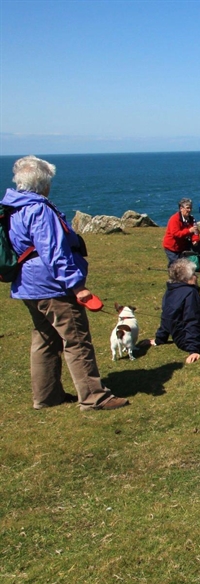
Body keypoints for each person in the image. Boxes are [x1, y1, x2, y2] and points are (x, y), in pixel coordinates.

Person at [1, 155, 128, 410]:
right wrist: (77, 285)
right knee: (76, 339)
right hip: (51, 286)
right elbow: (53, 251)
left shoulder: (13, 207)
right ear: (43, 183)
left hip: (27, 285)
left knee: (45, 339)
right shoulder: (38, 209)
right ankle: (94, 397)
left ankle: (46, 396)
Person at [163, 198, 200, 267]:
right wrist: (189, 231)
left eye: (190, 208)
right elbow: (176, 234)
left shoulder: (191, 219)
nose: (189, 210)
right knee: (178, 266)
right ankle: (172, 264)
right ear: (181, 208)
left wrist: (195, 239)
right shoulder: (174, 219)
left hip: (183, 245)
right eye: (187, 208)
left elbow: (196, 231)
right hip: (172, 247)